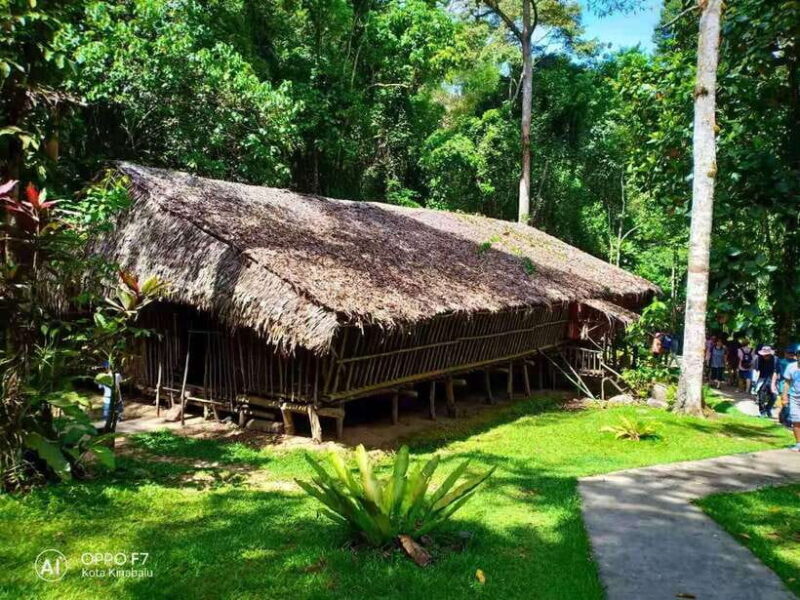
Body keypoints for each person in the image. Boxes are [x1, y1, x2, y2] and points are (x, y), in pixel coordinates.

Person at [781, 345, 800, 451]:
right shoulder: (791, 367)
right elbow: (787, 383)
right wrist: (784, 397)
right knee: (796, 420)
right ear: (796, 356)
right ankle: (798, 444)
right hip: (794, 397)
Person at [774, 344, 798, 426]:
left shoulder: (783, 361)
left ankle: (785, 419)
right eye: (789, 353)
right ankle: (785, 419)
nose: (791, 355)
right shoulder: (782, 362)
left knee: (788, 404)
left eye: (792, 354)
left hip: (790, 386)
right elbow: (776, 373)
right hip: (784, 385)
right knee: (785, 404)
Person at [752, 346, 777, 418]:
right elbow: (757, 370)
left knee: (774, 395)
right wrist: (755, 383)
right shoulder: (759, 358)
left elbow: (775, 372)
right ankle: (762, 411)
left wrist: (773, 384)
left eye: (766, 355)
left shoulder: (775, 360)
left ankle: (768, 409)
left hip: (772, 378)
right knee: (761, 393)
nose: (764, 357)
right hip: (762, 377)